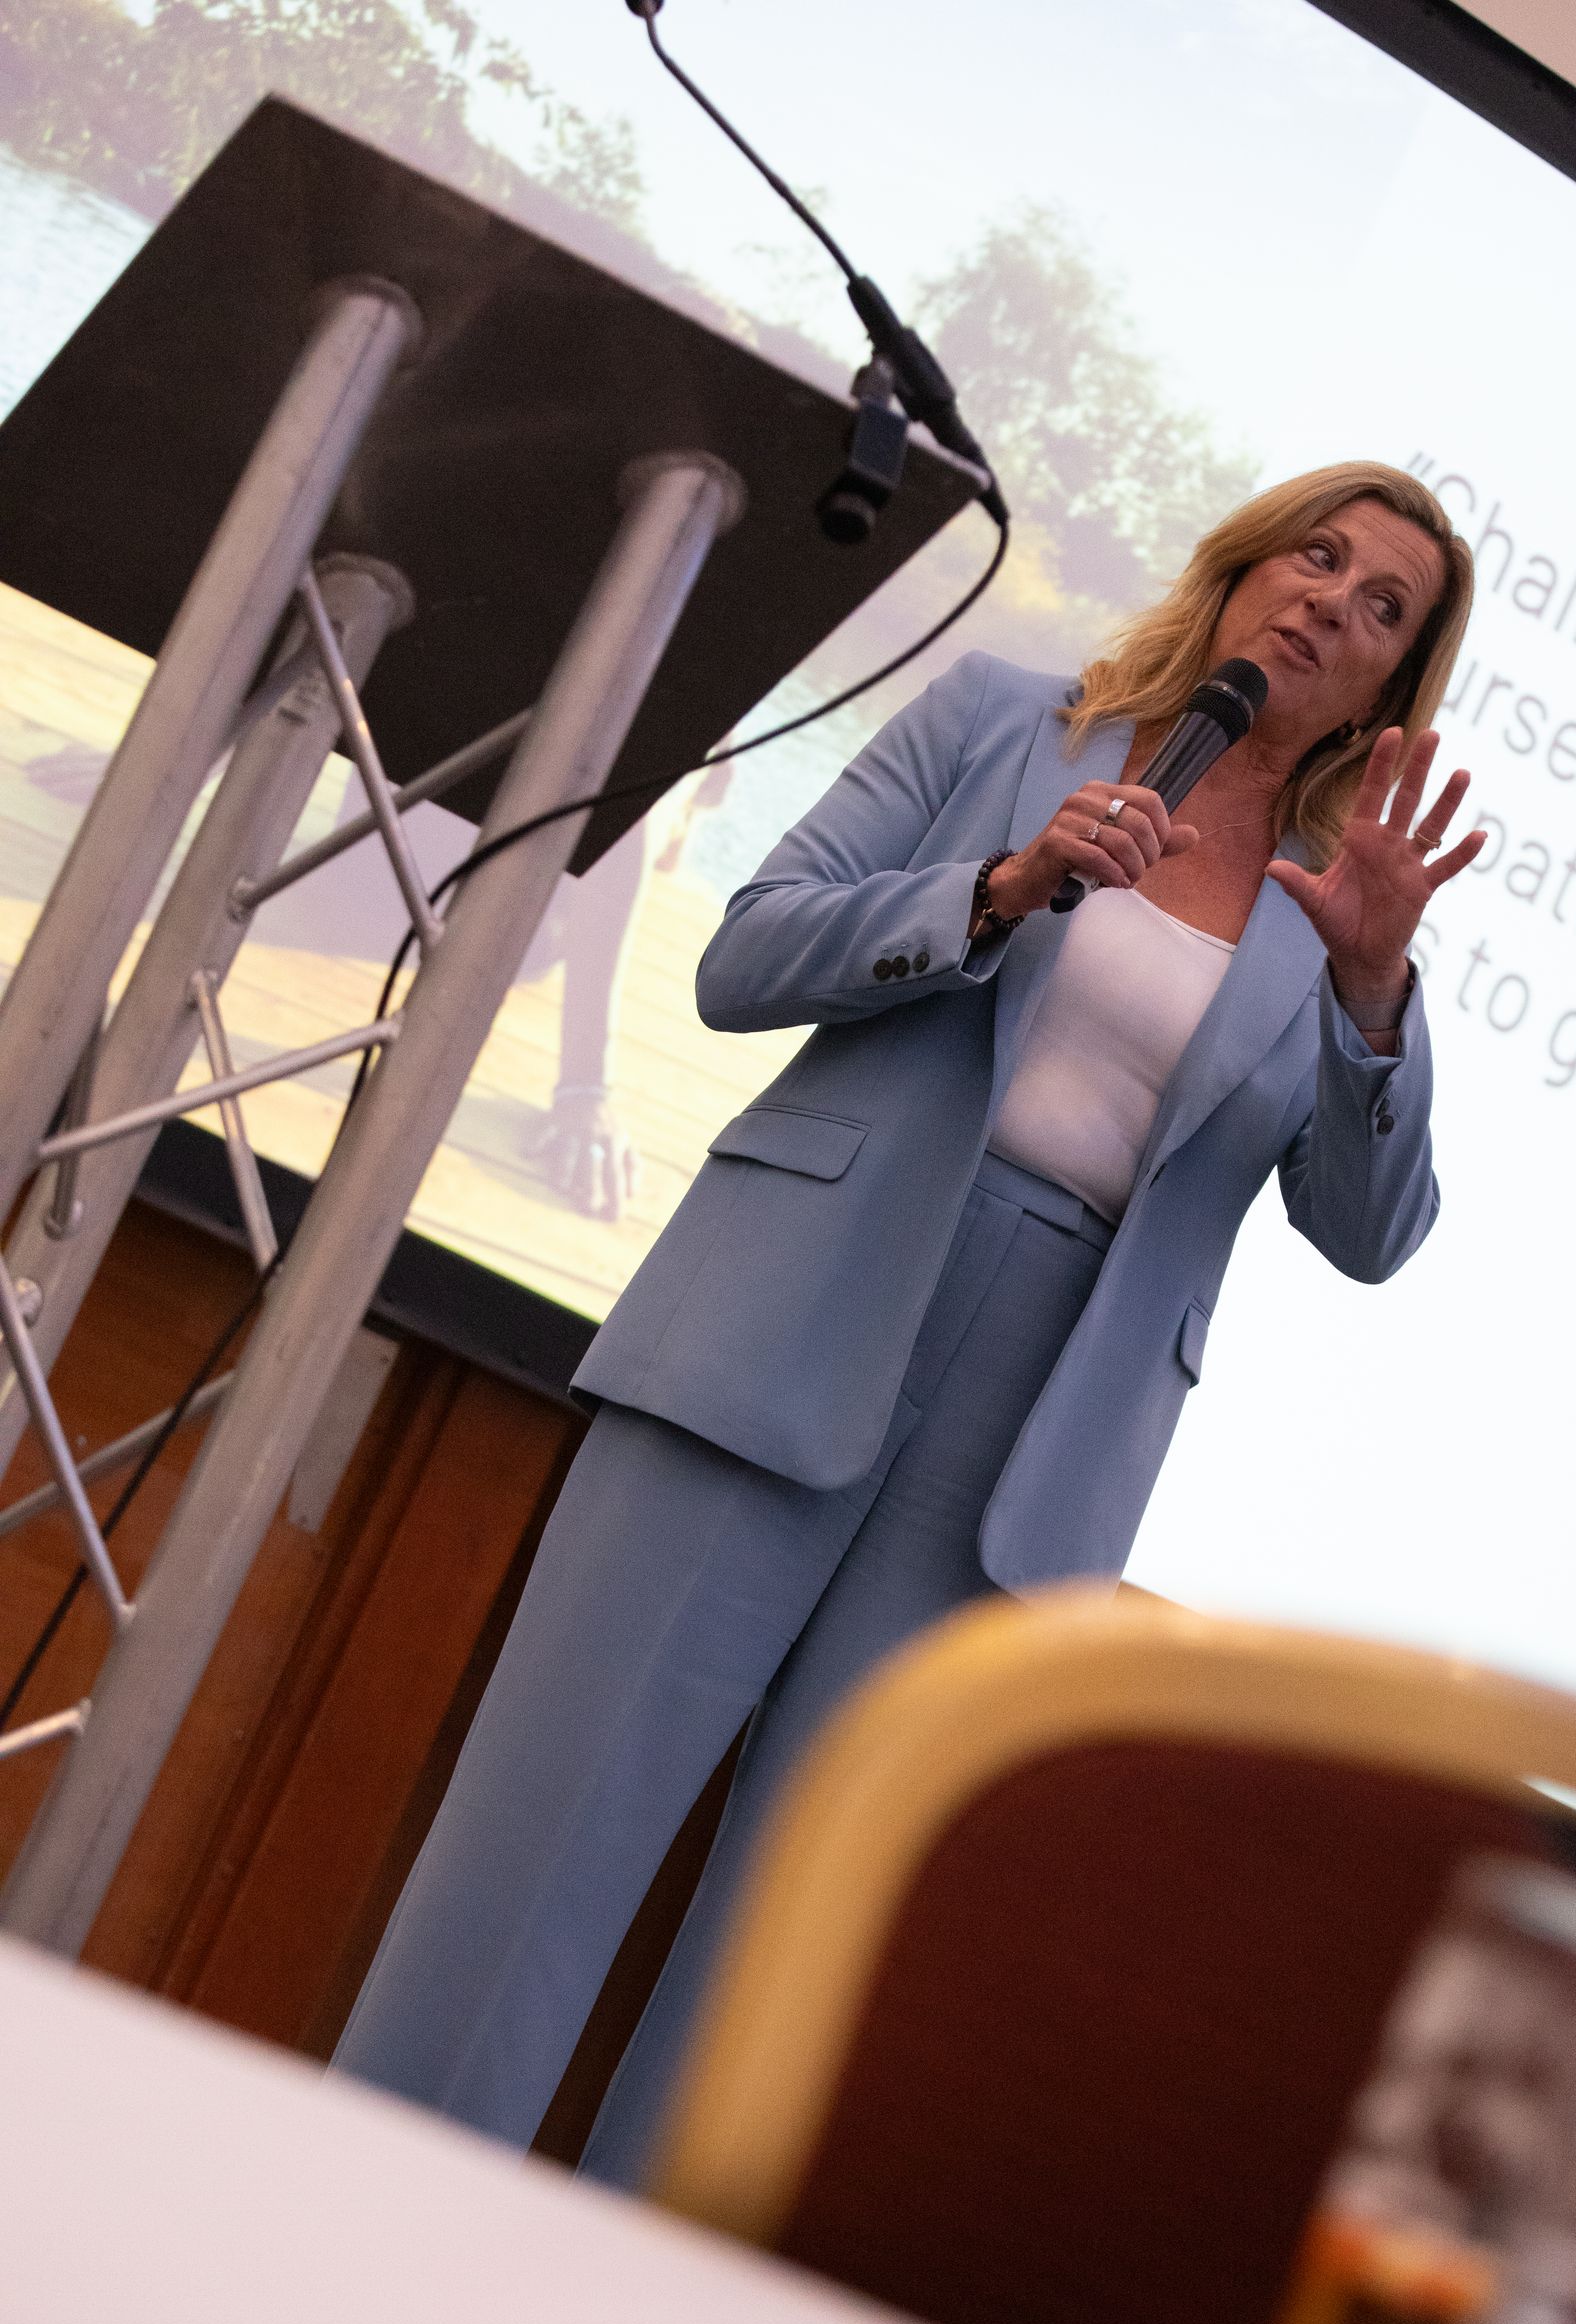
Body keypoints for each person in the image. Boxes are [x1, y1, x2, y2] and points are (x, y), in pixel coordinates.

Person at [332, 460, 1485, 2188]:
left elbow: (1368, 1230)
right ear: (1246, 570)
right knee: (537, 1852)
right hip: (783, 1326)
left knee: (783, 1967)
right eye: (1318, 555)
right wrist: (998, 890)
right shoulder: (1007, 723)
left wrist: (1380, 995)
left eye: (1384, 605)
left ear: (1393, 691)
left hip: (1028, 1459)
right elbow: (744, 956)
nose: (1335, 598)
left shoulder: (1344, 913)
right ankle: (332, 2246)